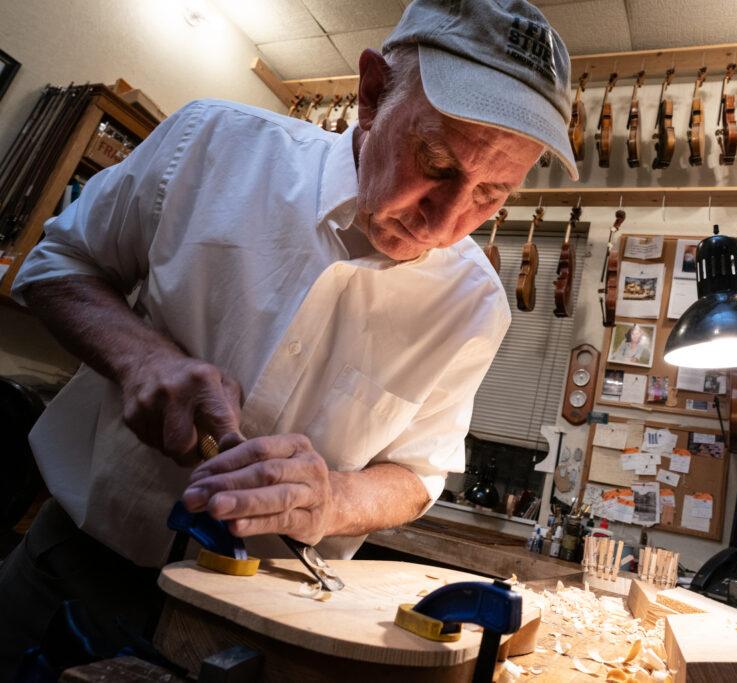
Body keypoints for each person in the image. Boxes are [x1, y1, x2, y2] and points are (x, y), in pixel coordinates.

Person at [0, 0, 578, 674]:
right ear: (371, 93)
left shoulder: (476, 306)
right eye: (439, 162)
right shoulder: (212, 143)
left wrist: (332, 496)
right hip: (69, 566)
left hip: (266, 629)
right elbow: (52, 264)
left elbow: (417, 475)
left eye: (492, 193)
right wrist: (140, 360)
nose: (448, 221)